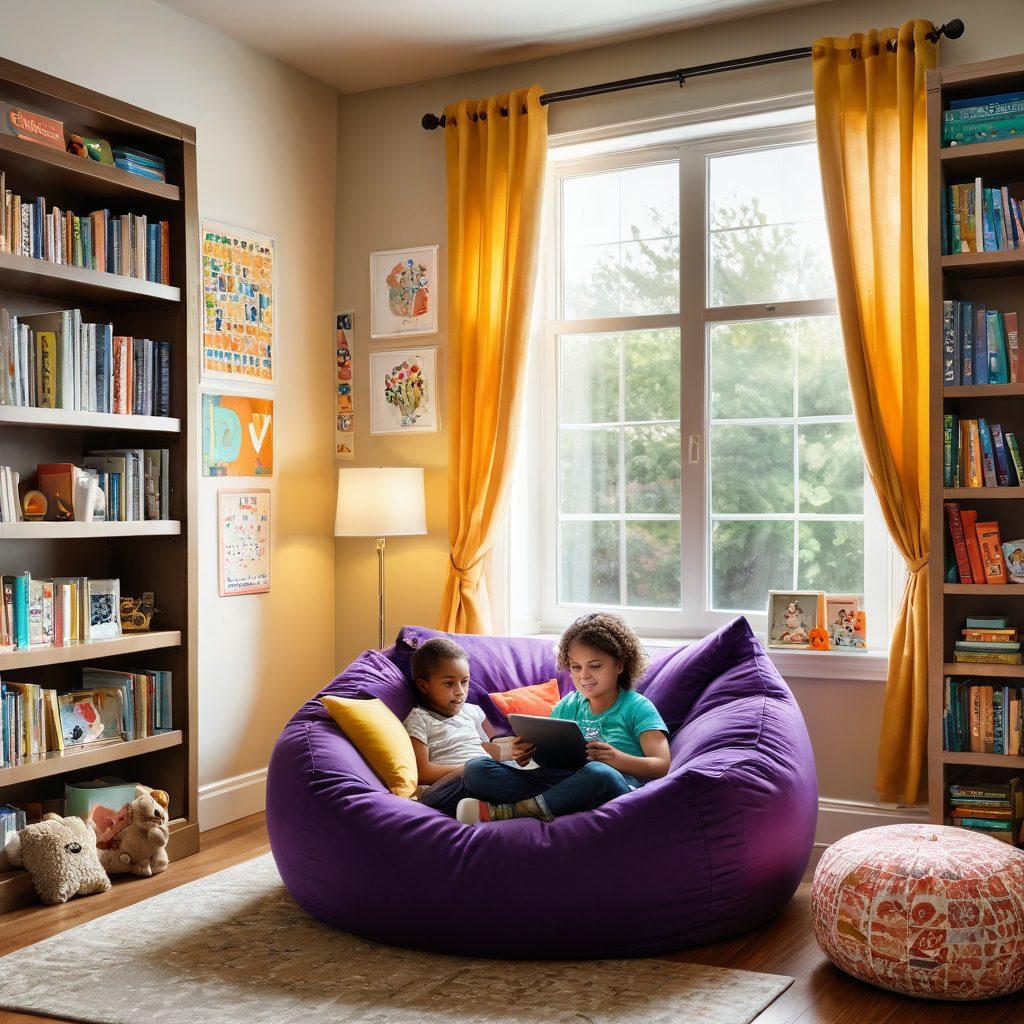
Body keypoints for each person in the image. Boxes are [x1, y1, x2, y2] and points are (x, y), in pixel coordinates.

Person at [456, 612, 670, 824]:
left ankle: (519, 810)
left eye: (595, 666)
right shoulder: (568, 705)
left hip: (609, 787)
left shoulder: (638, 707)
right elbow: (549, 760)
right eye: (576, 667)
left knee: (599, 772)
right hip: (561, 783)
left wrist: (618, 759)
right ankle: (546, 805)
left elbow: (661, 765)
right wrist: (525, 755)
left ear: (619, 665)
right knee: (476, 769)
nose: (583, 675)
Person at [403, 637, 508, 817]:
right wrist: (472, 768)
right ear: (424, 686)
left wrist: (515, 751)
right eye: (449, 683)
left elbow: (492, 744)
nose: (460, 691)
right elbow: (422, 772)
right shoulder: (419, 719)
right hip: (443, 791)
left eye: (465, 681)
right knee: (486, 773)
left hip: (486, 778)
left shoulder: (473, 712)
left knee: (533, 771)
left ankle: (496, 810)